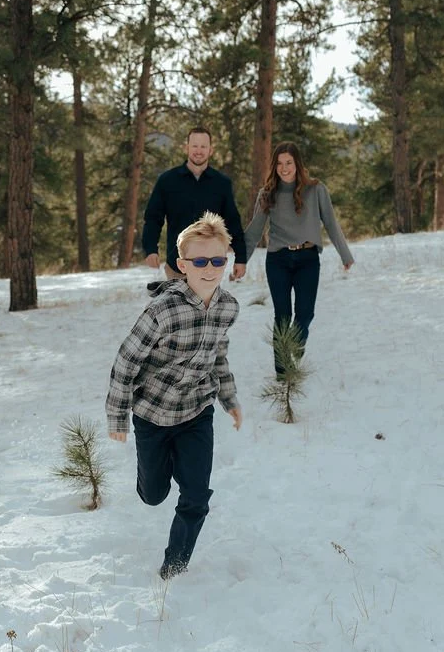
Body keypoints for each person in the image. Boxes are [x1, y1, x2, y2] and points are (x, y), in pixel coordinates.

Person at [106, 211, 242, 580]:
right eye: (200, 261)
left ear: (226, 260)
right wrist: (117, 418)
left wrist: (229, 399)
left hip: (198, 411)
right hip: (153, 414)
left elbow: (219, 355)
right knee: (153, 495)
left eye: (217, 260)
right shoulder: (163, 310)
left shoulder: (228, 307)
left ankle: (174, 565)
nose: (210, 268)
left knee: (196, 495)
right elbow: (126, 360)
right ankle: (150, 476)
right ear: (183, 265)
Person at [243, 141, 354, 374]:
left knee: (305, 313)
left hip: (308, 259)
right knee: (282, 315)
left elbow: (331, 224)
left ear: (297, 164)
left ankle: (295, 344)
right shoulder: (267, 194)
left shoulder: (316, 190)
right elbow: (255, 230)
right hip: (278, 261)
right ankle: (283, 372)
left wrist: (345, 254)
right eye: (280, 164)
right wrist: (241, 261)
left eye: (289, 163)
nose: (284, 168)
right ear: (274, 166)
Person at [141, 127, 247, 291]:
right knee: (181, 313)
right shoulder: (167, 181)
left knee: (205, 313)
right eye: (195, 146)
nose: (199, 151)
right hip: (178, 264)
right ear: (187, 148)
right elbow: (153, 218)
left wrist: (241, 257)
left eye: (203, 147)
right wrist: (150, 249)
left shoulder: (221, 183)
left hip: (211, 265)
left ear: (210, 150)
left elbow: (232, 221)